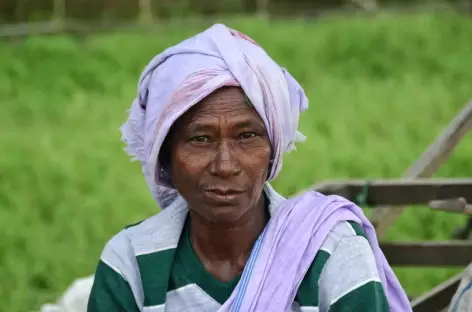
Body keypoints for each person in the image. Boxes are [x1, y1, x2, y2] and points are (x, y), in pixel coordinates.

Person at [87, 24, 412, 312]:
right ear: (165, 157)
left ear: (272, 151)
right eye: (200, 139)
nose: (225, 165)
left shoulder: (331, 249)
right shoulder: (131, 263)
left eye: (247, 136)